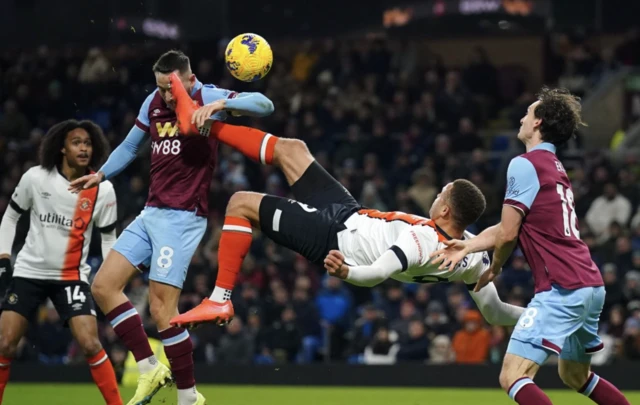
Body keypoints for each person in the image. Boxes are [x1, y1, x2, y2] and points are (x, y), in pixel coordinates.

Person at [164, 75, 524, 331]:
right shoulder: (471, 256)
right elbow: (495, 312)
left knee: (241, 203)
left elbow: (378, 274)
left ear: (445, 210)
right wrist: (542, 315)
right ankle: (199, 126)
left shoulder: (421, 243)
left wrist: (346, 273)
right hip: (350, 213)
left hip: (336, 238)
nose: (435, 196)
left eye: (439, 194)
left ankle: (220, 297)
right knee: (294, 150)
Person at [68, 50, 274, 405]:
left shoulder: (205, 95)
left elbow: (264, 105)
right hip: (151, 212)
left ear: (188, 79)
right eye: (160, 88)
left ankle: (188, 395)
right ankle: (150, 368)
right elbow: (132, 146)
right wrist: (100, 174)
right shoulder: (152, 101)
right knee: (103, 286)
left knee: (164, 312)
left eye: (169, 88)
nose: (164, 95)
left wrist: (220, 104)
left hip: (183, 216)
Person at [430, 87, 631, 405]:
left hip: (561, 287)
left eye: (528, 112)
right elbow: (509, 227)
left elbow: (509, 234)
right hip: (589, 284)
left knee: (512, 375)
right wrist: (469, 247)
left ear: (538, 123)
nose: (522, 117)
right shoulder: (553, 166)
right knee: (575, 376)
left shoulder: (524, 164)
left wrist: (494, 267)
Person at [0, 120, 122, 404]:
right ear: (62, 148)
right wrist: (4, 259)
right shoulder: (36, 178)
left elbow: (108, 239)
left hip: (72, 277)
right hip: (29, 272)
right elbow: (10, 217)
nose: (83, 148)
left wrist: (111, 279)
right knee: (5, 343)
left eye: (88, 143)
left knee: (91, 344)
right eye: (76, 142)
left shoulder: (102, 190)